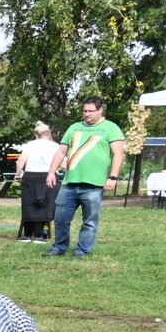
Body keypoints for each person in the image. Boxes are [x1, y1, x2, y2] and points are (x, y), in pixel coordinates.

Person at [48, 96, 125, 258]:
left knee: (89, 222)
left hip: (94, 185)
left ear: (100, 110)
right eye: (85, 111)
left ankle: (82, 251)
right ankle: (59, 248)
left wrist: (113, 177)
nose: (87, 114)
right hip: (69, 183)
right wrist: (51, 172)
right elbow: (61, 151)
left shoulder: (110, 128)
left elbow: (118, 153)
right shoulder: (74, 127)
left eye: (91, 111)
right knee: (60, 218)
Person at [14, 122, 61, 242]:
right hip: (48, 176)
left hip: (30, 176)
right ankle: (40, 235)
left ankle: (27, 234)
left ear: (36, 135)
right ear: (48, 133)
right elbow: (63, 163)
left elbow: (21, 160)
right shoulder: (55, 146)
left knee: (28, 205)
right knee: (45, 205)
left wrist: (18, 174)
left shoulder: (30, 145)